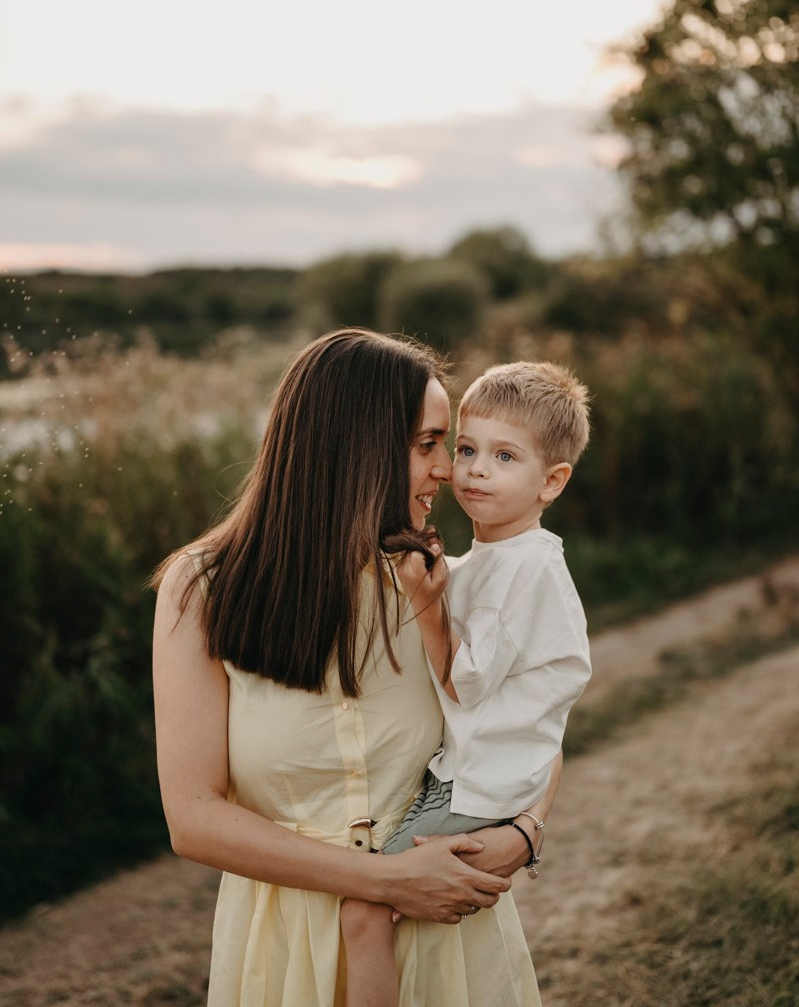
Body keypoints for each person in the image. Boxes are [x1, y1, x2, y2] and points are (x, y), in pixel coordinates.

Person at [152, 329, 560, 1007]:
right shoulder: (203, 590)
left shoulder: (445, 585)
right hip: (285, 950)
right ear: (356, 444)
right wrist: (384, 883)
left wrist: (526, 831)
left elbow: (532, 724)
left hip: (445, 939)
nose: (448, 473)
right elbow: (194, 817)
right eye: (428, 445)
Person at [340, 360, 592, 1007]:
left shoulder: (526, 571)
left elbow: (466, 683)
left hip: (481, 784)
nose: (473, 469)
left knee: (365, 908)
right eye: (467, 448)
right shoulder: (494, 560)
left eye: (505, 457)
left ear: (552, 482)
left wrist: (426, 607)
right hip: (476, 771)